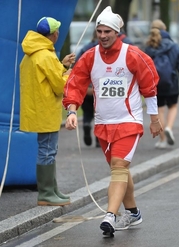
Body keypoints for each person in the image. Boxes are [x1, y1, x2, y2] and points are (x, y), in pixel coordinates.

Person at [63, 6, 162, 234]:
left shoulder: (133, 55)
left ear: (117, 32)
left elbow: (150, 87)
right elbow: (75, 84)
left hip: (129, 121)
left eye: (108, 31)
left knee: (119, 167)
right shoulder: (89, 57)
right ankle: (134, 213)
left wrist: (154, 119)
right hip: (103, 124)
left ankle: (110, 215)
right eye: (100, 31)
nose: (103, 35)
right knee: (121, 170)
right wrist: (71, 112)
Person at [19, 16, 75, 206]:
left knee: (48, 149)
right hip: (46, 109)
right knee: (47, 150)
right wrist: (70, 75)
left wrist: (63, 65)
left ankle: (52, 190)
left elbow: (46, 75)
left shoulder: (33, 53)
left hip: (37, 109)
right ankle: (45, 193)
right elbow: (59, 85)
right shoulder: (46, 55)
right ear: (54, 35)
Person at [76, 29, 133, 148]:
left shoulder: (86, 49)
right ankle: (99, 138)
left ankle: (86, 123)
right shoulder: (106, 50)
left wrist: (85, 86)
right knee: (101, 113)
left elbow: (78, 66)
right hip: (103, 86)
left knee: (87, 110)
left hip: (88, 87)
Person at [145, 27, 179, 149]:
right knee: (173, 107)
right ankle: (169, 127)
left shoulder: (150, 48)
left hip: (156, 84)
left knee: (159, 110)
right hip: (172, 83)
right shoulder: (174, 47)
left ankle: (163, 139)